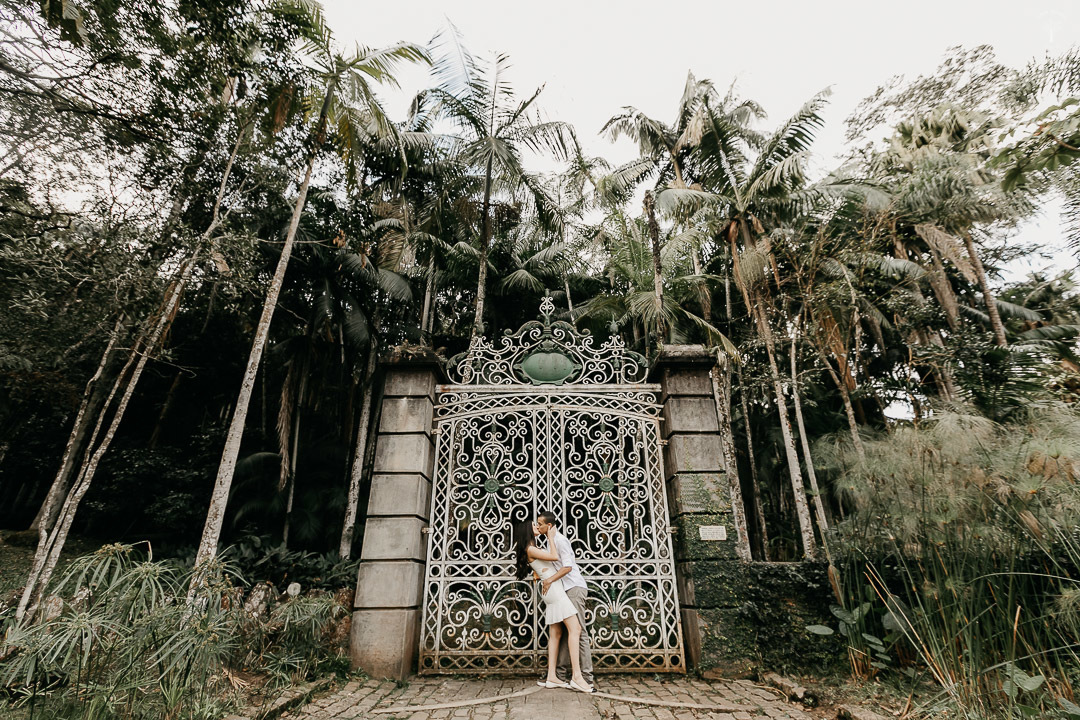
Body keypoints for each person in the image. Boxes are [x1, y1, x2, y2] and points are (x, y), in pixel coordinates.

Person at [512, 520, 594, 693]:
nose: (538, 527)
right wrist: (550, 538)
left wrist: (539, 573)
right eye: (534, 526)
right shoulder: (531, 548)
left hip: (552, 590)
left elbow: (541, 566)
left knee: (556, 633)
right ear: (528, 530)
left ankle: (552, 676)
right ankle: (578, 677)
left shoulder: (531, 548)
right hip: (555, 591)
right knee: (576, 629)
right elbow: (555, 557)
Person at [535, 510, 595, 689]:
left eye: (540, 524)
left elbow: (567, 566)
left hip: (574, 588)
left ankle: (586, 677)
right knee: (562, 632)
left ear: (549, 526)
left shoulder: (560, 541)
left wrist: (549, 580)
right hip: (563, 590)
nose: (538, 526)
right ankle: (558, 676)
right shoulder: (549, 542)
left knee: (579, 631)